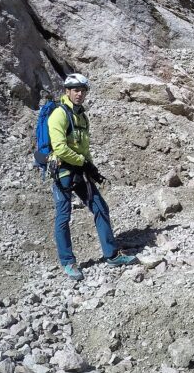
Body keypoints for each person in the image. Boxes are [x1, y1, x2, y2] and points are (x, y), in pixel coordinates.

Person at [48, 73, 137, 280]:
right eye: (75, 90)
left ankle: (112, 254)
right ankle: (68, 262)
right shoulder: (59, 115)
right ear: (67, 91)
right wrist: (82, 162)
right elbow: (59, 147)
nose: (79, 94)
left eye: (83, 90)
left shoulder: (81, 116)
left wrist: (91, 166)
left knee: (99, 207)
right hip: (62, 173)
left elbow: (83, 146)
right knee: (63, 216)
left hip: (79, 171)